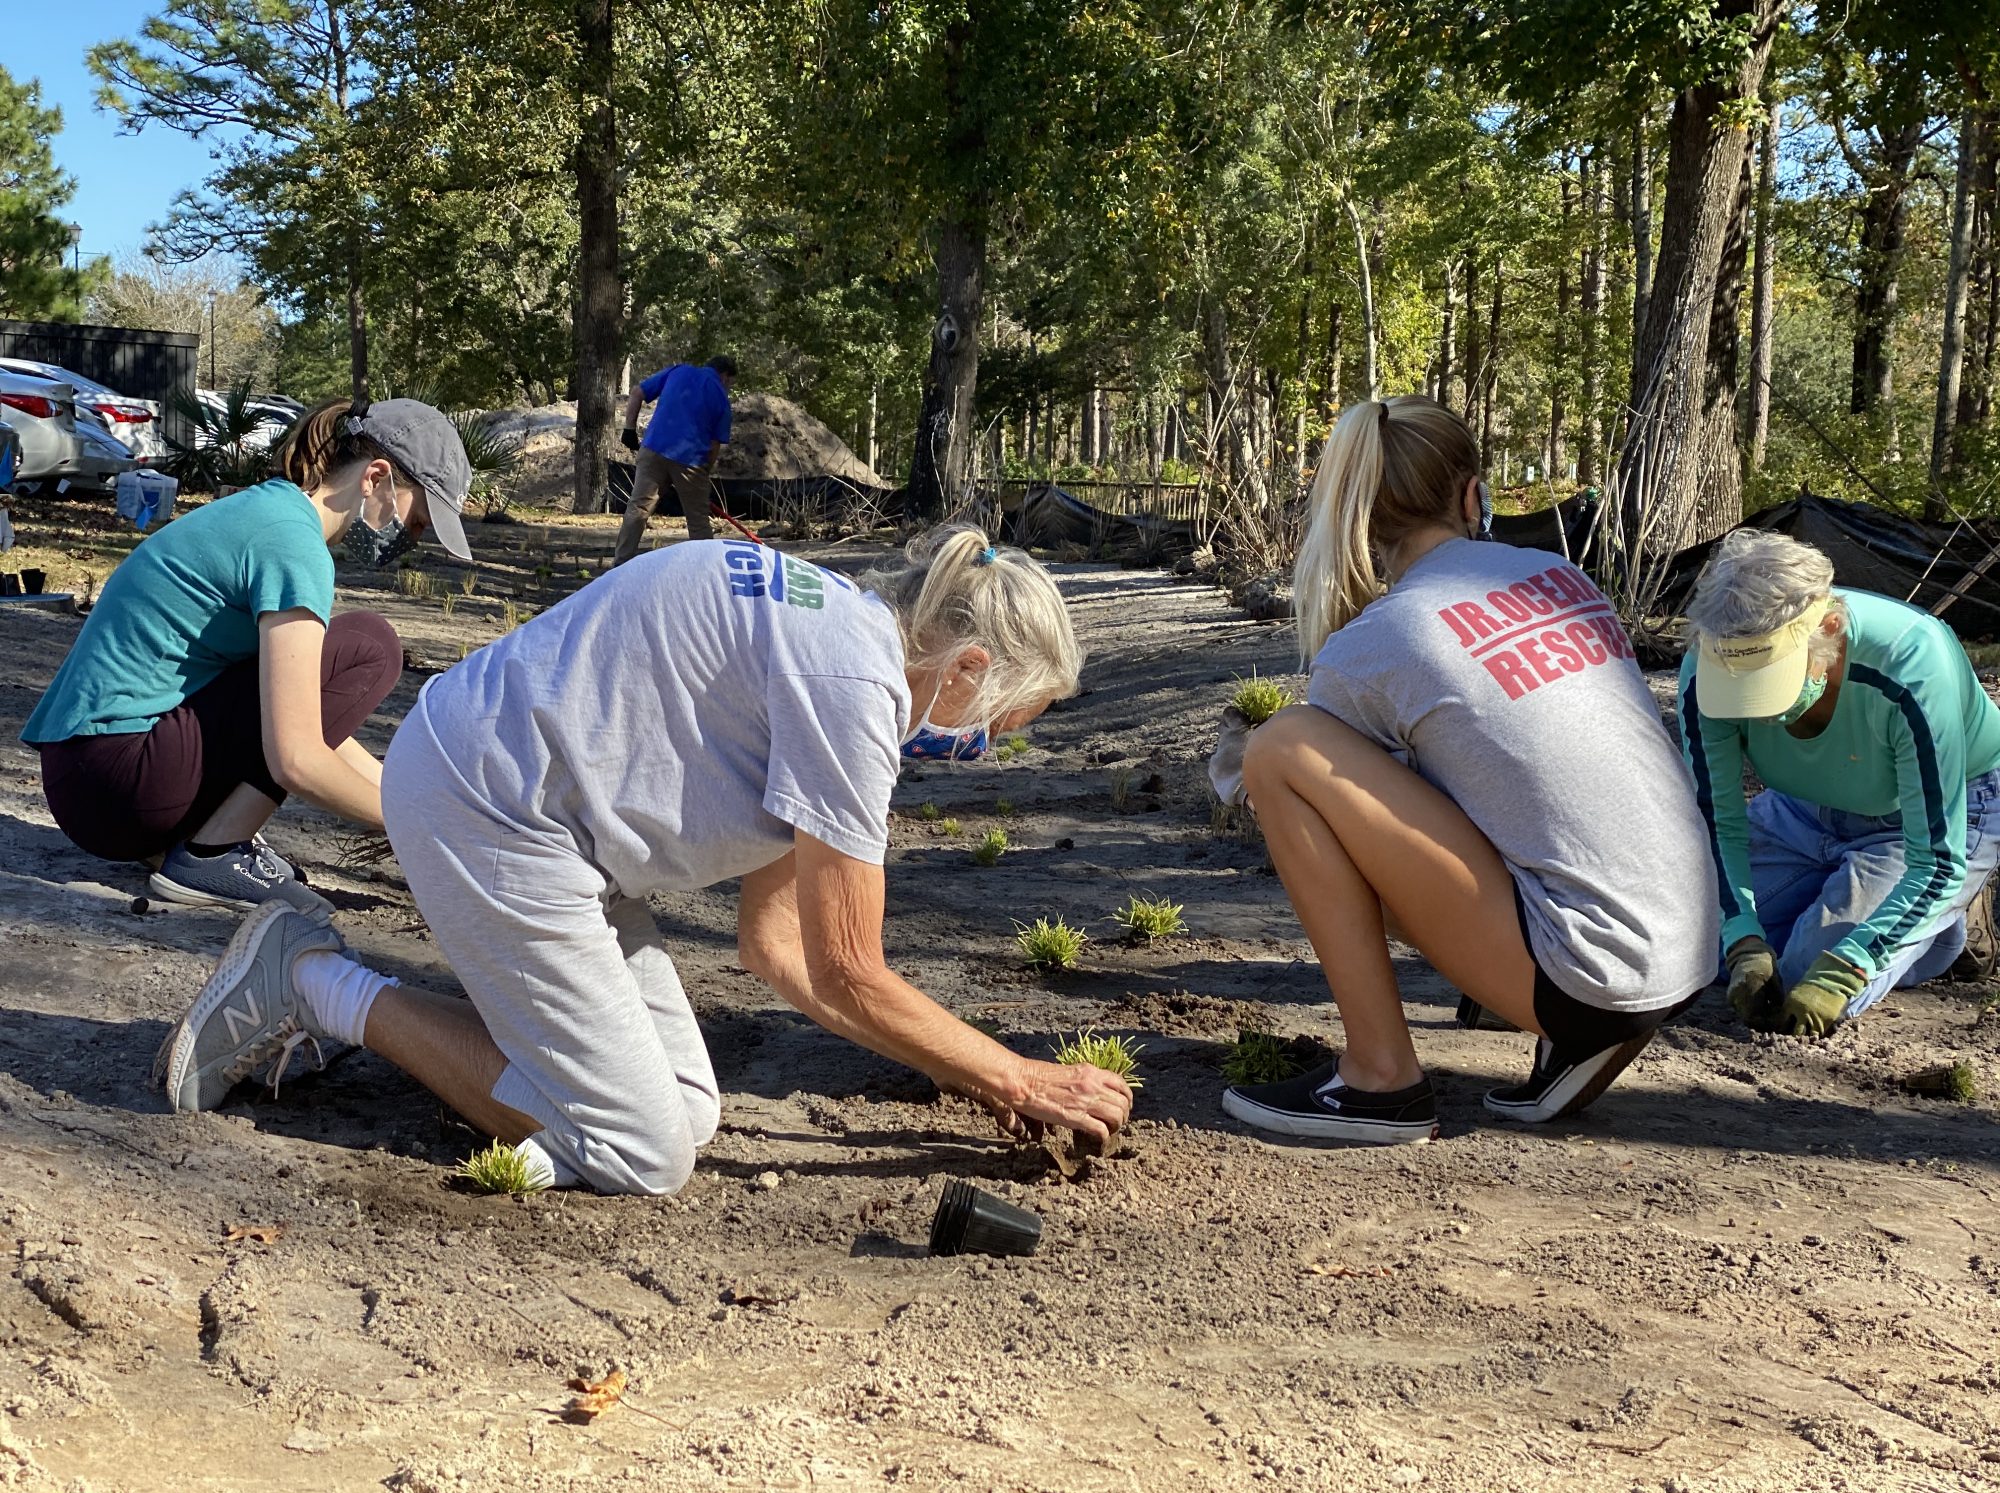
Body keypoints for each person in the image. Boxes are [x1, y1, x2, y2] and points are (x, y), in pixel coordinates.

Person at [157, 527, 1133, 1195]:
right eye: (1001, 722)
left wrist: (980, 1072)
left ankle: (539, 1104)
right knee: (642, 1151)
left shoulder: (836, 629)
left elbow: (775, 948)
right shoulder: (855, 690)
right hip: (489, 810)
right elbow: (849, 970)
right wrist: (1012, 1079)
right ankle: (314, 983)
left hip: (528, 809)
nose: (985, 745)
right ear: (965, 667)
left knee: (689, 1113)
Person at [1215, 396, 1718, 1144]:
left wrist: (1234, 770)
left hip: (1590, 973)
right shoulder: (1558, 576)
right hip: (1689, 945)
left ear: (1360, 516)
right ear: (1472, 495)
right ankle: (1576, 1036)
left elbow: (1333, 815)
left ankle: (1380, 1080)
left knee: (1282, 751)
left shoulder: (1380, 638)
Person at [22, 398, 473, 915]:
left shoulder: (269, 511)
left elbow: (307, 711)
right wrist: (427, 832)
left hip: (92, 781)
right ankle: (213, 853)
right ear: (375, 478)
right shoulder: (291, 543)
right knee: (370, 645)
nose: (412, 539)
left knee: (317, 672)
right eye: (417, 521)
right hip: (120, 780)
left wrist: (411, 799)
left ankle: (203, 840)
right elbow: (296, 759)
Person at [1679, 530, 2000, 1037]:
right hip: (1801, 807)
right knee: (1683, 948)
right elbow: (1715, 819)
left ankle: (1944, 933)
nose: (1756, 714)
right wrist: (1741, 935)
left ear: (1829, 629)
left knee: (1806, 974)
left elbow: (1935, 858)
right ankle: (1897, 915)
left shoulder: (1911, 659)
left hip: (1929, 820)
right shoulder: (1710, 660)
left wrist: (1846, 968)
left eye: (1768, 684)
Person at [611, 354, 737, 564]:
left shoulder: (677, 371)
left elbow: (636, 393)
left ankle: (620, 563)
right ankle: (704, 570)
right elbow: (715, 445)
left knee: (639, 509)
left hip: (653, 449)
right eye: (730, 383)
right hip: (690, 461)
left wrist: (629, 430)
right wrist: (705, 471)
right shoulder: (721, 398)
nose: (729, 387)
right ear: (724, 376)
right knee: (697, 520)